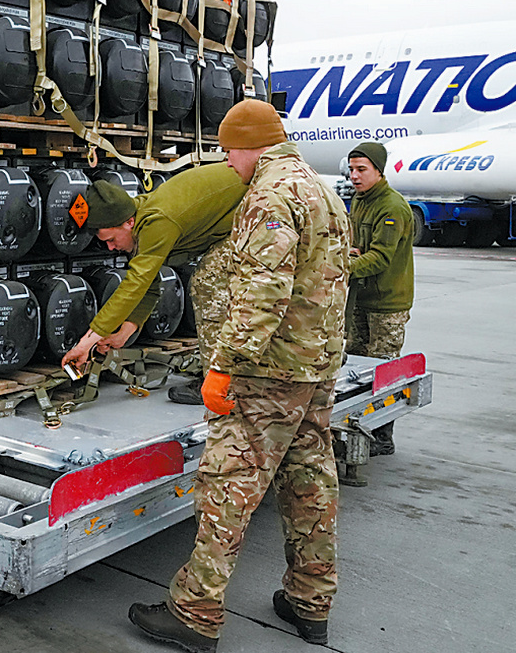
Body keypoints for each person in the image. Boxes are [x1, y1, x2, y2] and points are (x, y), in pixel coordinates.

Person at [127, 99, 351, 652]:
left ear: (250, 144)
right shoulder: (324, 190)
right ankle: (310, 601)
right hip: (315, 366)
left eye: (229, 152)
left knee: (229, 486)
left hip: (268, 372)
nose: (228, 164)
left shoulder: (270, 195)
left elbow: (260, 293)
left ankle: (195, 612)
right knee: (311, 482)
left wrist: (224, 364)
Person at [60, 165, 247, 403]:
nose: (110, 247)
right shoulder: (139, 220)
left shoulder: (157, 222)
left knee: (207, 283)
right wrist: (122, 334)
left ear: (128, 223)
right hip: (237, 217)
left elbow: (136, 283)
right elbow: (149, 283)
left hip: (262, 206)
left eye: (111, 239)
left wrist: (87, 342)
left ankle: (221, 383)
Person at [345, 141, 414, 458]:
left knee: (383, 373)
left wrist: (343, 266)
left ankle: (382, 436)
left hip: (387, 304)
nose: (354, 176)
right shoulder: (360, 201)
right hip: (361, 297)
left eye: (362, 170)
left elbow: (381, 258)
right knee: (356, 369)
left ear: (378, 171)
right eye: (352, 169)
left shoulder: (392, 207)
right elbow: (359, 246)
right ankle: (357, 429)